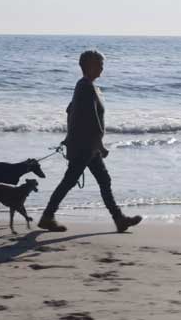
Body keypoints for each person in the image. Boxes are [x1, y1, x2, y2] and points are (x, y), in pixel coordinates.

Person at [38, 50, 142, 233]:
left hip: (85, 144)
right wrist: (99, 144)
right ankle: (47, 216)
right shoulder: (86, 87)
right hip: (86, 145)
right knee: (70, 181)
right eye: (100, 64)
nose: (102, 68)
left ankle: (119, 219)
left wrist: (72, 138)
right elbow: (92, 119)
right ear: (91, 66)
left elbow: (70, 111)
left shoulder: (83, 85)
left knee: (102, 180)